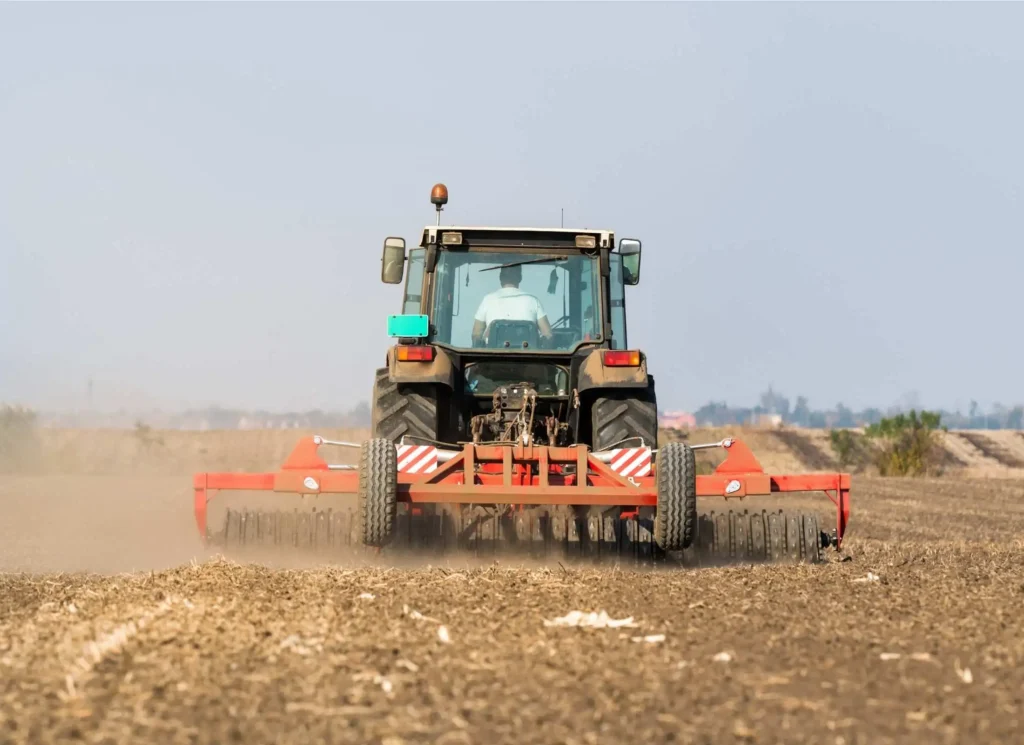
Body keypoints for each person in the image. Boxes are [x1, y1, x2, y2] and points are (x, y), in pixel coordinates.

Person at [471, 264, 553, 346]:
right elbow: (548, 335)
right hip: (527, 357)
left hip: (494, 357)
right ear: (520, 278)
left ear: (500, 277)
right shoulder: (533, 300)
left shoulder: (487, 300)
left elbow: (476, 335)